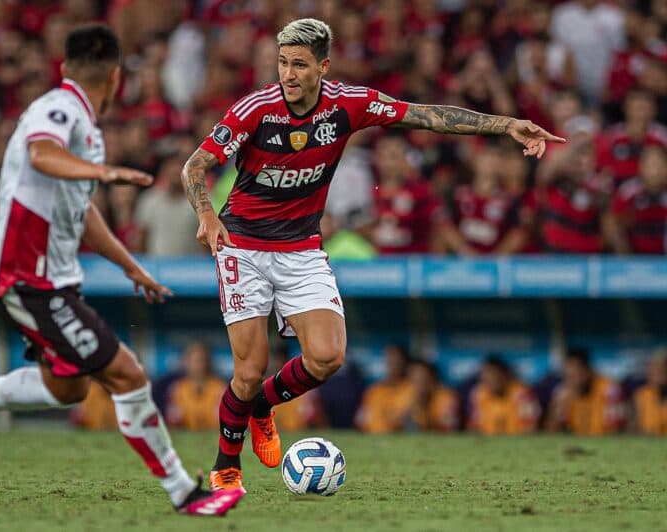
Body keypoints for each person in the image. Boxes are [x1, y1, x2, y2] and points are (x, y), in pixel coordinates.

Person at [180, 18, 566, 491]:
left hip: (301, 246)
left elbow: (426, 115)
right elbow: (194, 165)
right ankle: (227, 464)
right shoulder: (256, 110)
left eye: (299, 64)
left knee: (327, 357)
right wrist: (207, 213)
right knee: (248, 370)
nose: (288, 74)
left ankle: (263, 405)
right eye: (282, 63)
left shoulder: (349, 104)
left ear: (323, 66)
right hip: (243, 245)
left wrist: (506, 125)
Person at [0, 25, 242, 516]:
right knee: (127, 374)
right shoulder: (59, 109)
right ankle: (184, 493)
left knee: (67, 388)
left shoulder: (86, 132)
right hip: (28, 278)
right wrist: (103, 173)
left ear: (67, 65)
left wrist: (131, 266)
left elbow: (84, 212)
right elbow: (41, 154)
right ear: (115, 77)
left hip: (52, 281)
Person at [545, 348, 625, 434]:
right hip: (578, 440)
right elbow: (551, 433)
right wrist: (556, 407)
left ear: (587, 371)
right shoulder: (563, 393)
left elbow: (616, 430)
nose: (572, 382)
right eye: (568, 377)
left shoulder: (608, 389)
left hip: (604, 439)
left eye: (576, 375)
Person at [468, 357, 540, 435]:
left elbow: (530, 428)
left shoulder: (522, 394)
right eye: (486, 378)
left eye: (494, 376)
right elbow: (474, 428)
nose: (491, 381)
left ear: (504, 375)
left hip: (517, 439)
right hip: (487, 440)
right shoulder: (479, 395)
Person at [165, 341, 227, 430]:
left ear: (208, 362)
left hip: (213, 434)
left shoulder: (220, 388)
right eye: (195, 361)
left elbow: (224, 422)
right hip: (186, 435)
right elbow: (172, 422)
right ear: (186, 362)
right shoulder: (177, 389)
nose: (199, 365)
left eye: (202, 360)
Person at [355, 344, 411, 434]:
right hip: (371, 437)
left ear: (404, 363)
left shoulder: (411, 390)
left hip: (398, 438)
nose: (392, 365)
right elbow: (360, 420)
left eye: (396, 361)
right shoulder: (373, 391)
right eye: (389, 361)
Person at [633, 349, 667, 435]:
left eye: (662, 369)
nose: (658, 373)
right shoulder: (641, 394)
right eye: (654, 369)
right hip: (647, 438)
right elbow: (633, 425)